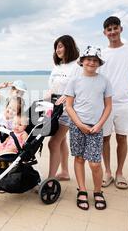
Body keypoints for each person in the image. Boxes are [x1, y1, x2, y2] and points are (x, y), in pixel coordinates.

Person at [64, 46, 113, 210]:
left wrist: (99, 125)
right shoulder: (74, 81)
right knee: (79, 158)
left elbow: (108, 106)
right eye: (88, 59)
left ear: (98, 63)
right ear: (82, 61)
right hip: (77, 126)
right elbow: (69, 106)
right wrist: (79, 124)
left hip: (96, 128)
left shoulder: (104, 81)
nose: (91, 62)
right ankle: (82, 189)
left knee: (95, 163)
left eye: (95, 60)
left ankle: (98, 191)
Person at [99, 16, 128, 190]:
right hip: (105, 102)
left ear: (121, 29)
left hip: (124, 102)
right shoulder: (102, 53)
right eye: (109, 29)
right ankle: (107, 172)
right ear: (104, 33)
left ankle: (119, 173)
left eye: (115, 28)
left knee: (122, 137)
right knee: (105, 138)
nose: (112, 32)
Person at [46, 35, 81, 181]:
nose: (57, 49)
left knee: (53, 143)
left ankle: (50, 179)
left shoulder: (77, 66)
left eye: (60, 46)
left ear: (69, 46)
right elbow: (52, 87)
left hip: (68, 109)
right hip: (54, 108)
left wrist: (67, 96)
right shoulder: (57, 66)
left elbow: (80, 87)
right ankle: (65, 172)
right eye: (56, 47)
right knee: (61, 141)